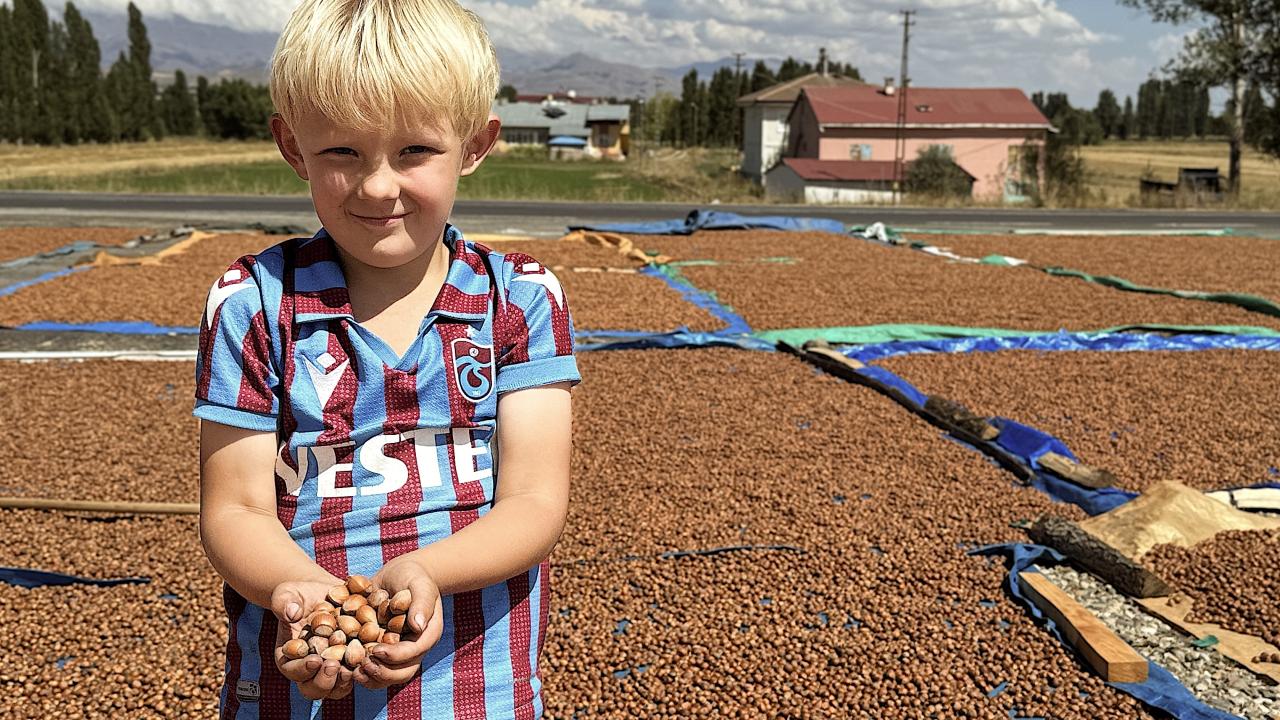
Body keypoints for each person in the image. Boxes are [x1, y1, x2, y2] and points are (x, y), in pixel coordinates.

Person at [194, 0, 578, 717]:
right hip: (292, 692)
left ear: (474, 144)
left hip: (477, 691)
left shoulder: (519, 299)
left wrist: (428, 571)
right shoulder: (252, 303)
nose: (377, 185)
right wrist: (298, 592)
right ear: (291, 145)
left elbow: (534, 502)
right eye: (342, 152)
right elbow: (237, 508)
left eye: (414, 152)